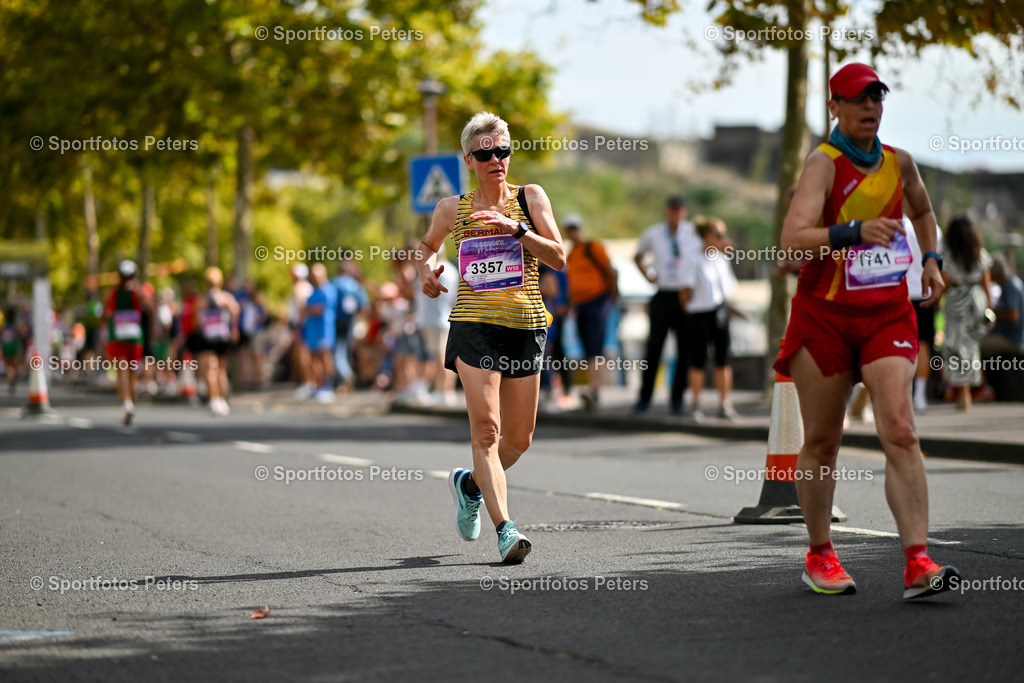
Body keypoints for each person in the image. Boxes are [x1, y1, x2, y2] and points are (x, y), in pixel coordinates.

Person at [777, 62, 959, 599]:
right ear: (834, 106)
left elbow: (923, 211)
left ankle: (918, 562)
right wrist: (853, 231)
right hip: (824, 316)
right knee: (823, 441)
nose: (869, 107)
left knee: (900, 429)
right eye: (857, 99)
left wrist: (931, 259)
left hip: (886, 313)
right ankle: (820, 554)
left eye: (876, 97)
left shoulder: (900, 163)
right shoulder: (823, 165)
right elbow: (791, 241)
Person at [416, 111, 565, 564]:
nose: (496, 159)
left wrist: (517, 231)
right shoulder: (451, 209)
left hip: (525, 325)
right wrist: (425, 270)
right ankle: (506, 530)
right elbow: (425, 247)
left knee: (517, 441)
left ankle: (468, 485)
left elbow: (559, 257)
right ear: (469, 159)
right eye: (486, 153)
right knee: (487, 430)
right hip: (473, 324)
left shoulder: (530, 197)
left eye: (503, 151)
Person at [634, 196, 699, 414]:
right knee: (654, 347)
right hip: (663, 293)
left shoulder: (692, 232)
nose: (675, 214)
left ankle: (677, 399)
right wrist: (649, 276)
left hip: (685, 294)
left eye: (679, 210)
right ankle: (644, 398)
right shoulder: (654, 233)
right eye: (672, 210)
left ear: (684, 212)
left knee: (684, 349)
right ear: (666, 211)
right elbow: (638, 255)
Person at [680, 217, 738, 420]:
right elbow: (685, 290)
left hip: (718, 310)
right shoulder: (693, 257)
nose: (723, 239)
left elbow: (729, 287)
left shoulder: (721, 258)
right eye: (719, 235)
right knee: (698, 358)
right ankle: (696, 403)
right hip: (699, 312)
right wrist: (689, 309)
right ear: (707, 236)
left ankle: (724, 402)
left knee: (723, 357)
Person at [564, 213, 617, 412]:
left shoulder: (592, 247)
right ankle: (592, 389)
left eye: (575, 228)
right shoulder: (572, 254)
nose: (572, 232)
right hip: (581, 304)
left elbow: (609, 270)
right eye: (569, 229)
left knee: (595, 347)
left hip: (597, 300)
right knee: (588, 348)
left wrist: (609, 296)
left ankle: (595, 389)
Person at [941, 215, 993, 411]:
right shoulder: (979, 253)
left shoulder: (949, 255)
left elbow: (944, 282)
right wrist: (989, 309)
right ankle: (968, 390)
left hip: (956, 301)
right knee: (971, 348)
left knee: (955, 347)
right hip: (976, 300)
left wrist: (937, 302)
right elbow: (986, 283)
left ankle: (962, 391)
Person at [103, 260, 151, 425]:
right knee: (130, 371)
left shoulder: (113, 293)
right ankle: (129, 402)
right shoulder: (139, 292)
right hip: (134, 338)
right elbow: (151, 308)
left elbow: (104, 314)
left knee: (123, 370)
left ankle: (127, 403)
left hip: (119, 337)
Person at [414, 248, 458, 405]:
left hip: (438, 319)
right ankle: (445, 391)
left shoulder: (439, 271)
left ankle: (444, 392)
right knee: (443, 357)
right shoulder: (452, 271)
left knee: (441, 357)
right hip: (442, 318)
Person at [195, 267, 239, 416]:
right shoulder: (225, 297)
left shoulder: (206, 299)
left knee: (212, 368)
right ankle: (220, 399)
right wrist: (233, 328)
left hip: (210, 337)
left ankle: (215, 399)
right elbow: (235, 310)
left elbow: (196, 320)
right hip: (221, 336)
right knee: (220, 368)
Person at [301, 264, 337, 404]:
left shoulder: (328, 290)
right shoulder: (313, 291)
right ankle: (317, 386)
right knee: (313, 359)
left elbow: (318, 309)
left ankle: (328, 386)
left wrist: (308, 310)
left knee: (324, 358)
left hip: (324, 330)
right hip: (312, 331)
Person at [331, 258, 369, 393]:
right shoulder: (355, 285)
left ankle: (346, 378)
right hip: (350, 322)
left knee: (337, 352)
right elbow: (364, 305)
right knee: (346, 352)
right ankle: (344, 383)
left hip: (336, 322)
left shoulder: (334, 283)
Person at [981, 255, 1024, 356]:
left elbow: (1013, 315)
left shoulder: (1010, 286)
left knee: (979, 345)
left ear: (995, 273)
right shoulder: (1010, 283)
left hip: (1012, 339)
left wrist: (994, 313)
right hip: (1009, 336)